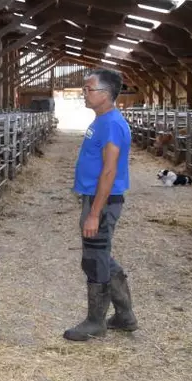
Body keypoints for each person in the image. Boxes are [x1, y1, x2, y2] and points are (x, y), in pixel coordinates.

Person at [64, 68, 138, 342]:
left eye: (88, 89)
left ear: (106, 95)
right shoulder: (102, 120)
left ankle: (96, 322)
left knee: (95, 258)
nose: (84, 93)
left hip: (102, 202)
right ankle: (124, 316)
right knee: (101, 254)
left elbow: (109, 171)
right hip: (96, 198)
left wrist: (94, 213)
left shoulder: (112, 124)